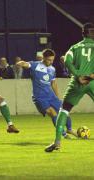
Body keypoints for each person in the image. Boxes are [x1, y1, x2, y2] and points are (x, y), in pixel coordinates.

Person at [45, 23, 94, 152]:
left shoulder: (74, 47)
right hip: (92, 82)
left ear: (83, 33)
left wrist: (78, 76)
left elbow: (66, 61)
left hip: (76, 83)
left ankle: (57, 142)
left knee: (64, 110)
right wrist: (89, 77)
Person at [17, 49, 77, 138]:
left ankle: (69, 129)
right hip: (39, 97)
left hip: (51, 96)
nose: (51, 62)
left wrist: (58, 97)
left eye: (52, 60)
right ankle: (63, 134)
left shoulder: (52, 69)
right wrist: (20, 63)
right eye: (49, 60)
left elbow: (53, 83)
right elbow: (25, 64)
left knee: (64, 110)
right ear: (43, 58)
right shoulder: (35, 65)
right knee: (52, 112)